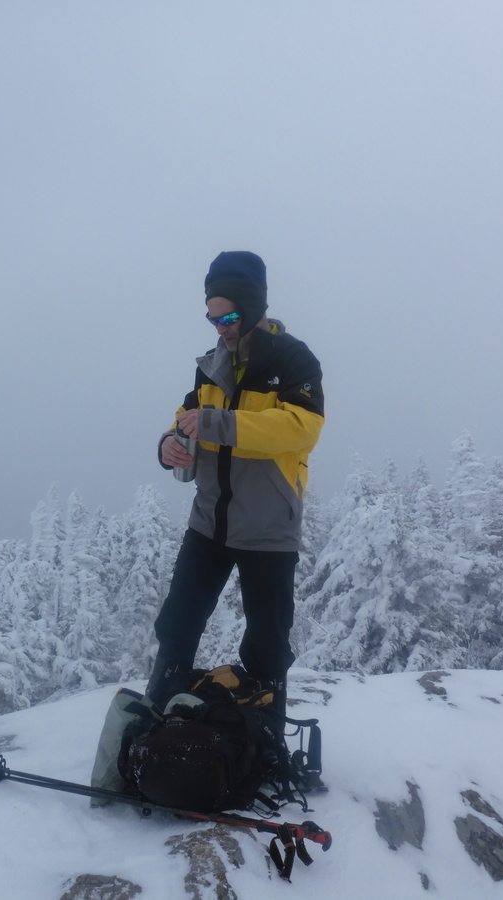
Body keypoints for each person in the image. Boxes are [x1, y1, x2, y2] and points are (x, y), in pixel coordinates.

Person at [147, 250, 325, 721]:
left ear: (251, 306)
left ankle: (263, 743)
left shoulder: (293, 360)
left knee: (266, 645)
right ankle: (158, 726)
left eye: (227, 317)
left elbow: (301, 428)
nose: (220, 328)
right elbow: (186, 419)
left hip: (268, 529)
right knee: (177, 625)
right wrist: (170, 443)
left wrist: (218, 424)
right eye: (212, 319)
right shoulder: (211, 364)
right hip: (208, 523)